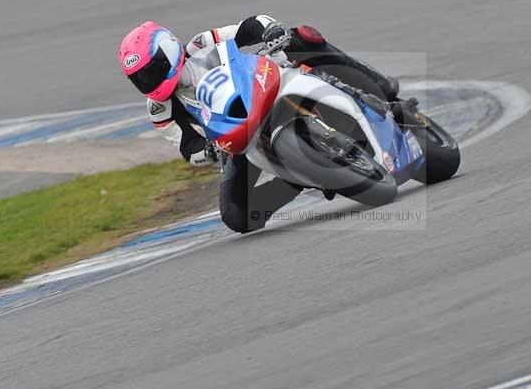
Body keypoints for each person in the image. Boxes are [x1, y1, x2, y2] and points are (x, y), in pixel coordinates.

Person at [117, 15, 417, 233]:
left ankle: (378, 87)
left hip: (263, 83)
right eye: (140, 78)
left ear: (168, 50)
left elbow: (249, 26)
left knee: (302, 37)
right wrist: (203, 153)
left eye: (152, 70)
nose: (149, 81)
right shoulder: (160, 107)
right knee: (236, 215)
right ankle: (298, 176)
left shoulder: (201, 44)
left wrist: (271, 31)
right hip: (236, 134)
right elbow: (185, 143)